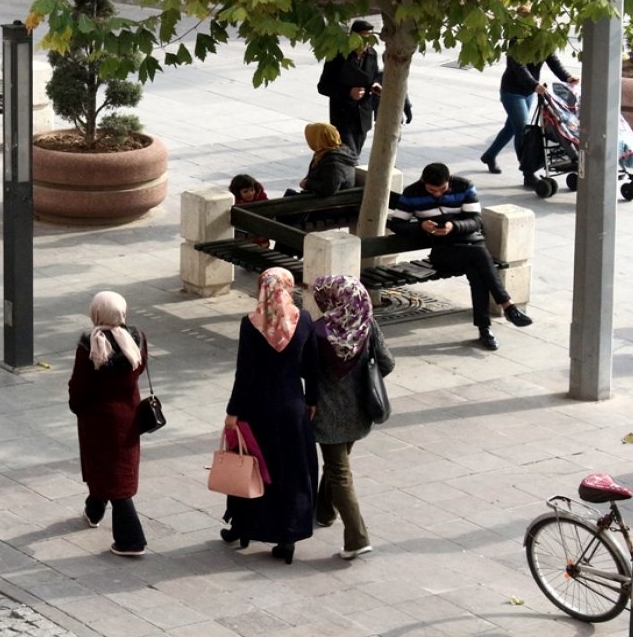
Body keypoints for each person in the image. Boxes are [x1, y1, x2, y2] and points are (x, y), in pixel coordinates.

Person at [219, 267, 320, 564]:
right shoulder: (303, 322)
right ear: (288, 288)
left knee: (252, 466)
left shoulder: (251, 324)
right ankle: (287, 537)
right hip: (292, 407)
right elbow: (312, 367)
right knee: (290, 470)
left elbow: (245, 374)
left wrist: (232, 412)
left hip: (256, 408)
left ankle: (243, 524)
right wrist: (312, 400)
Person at [389, 163, 533, 351]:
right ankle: (507, 305)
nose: (437, 194)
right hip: (445, 253)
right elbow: (397, 224)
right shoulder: (412, 193)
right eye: (432, 190)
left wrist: (453, 226)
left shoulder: (464, 186)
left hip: (470, 244)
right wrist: (420, 226)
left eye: (442, 189)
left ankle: (485, 329)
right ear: (423, 182)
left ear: (449, 181)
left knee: (477, 271)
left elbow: (476, 220)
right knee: (480, 254)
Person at [309, 274, 394, 561]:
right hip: (359, 412)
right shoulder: (367, 324)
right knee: (338, 465)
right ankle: (324, 512)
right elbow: (387, 363)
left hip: (326, 413)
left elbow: (304, 370)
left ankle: (357, 537)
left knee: (339, 471)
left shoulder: (318, 331)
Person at [68, 291, 149, 557]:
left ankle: (131, 539)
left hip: (98, 421)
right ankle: (94, 509)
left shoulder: (90, 345)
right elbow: (141, 367)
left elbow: (80, 386)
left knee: (113, 477)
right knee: (117, 468)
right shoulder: (137, 339)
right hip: (129, 417)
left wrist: (76, 405)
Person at [479, 3, 579, 187]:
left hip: (530, 91)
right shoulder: (516, 40)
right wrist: (535, 85)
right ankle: (527, 172)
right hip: (512, 91)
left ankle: (489, 156)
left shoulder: (543, 39)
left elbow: (553, 60)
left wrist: (567, 77)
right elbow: (517, 66)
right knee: (522, 129)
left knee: (511, 127)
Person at [317, 20, 383, 156]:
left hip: (363, 115)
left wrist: (375, 85)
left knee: (355, 153)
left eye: (370, 37)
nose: (367, 42)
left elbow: (374, 75)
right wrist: (348, 93)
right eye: (363, 37)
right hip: (343, 116)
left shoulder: (372, 54)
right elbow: (323, 86)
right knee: (349, 155)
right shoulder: (337, 56)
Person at [292, 122, 357, 197]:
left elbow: (328, 189)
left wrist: (308, 183)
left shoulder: (334, 162)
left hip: (328, 203)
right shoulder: (323, 153)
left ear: (318, 139)